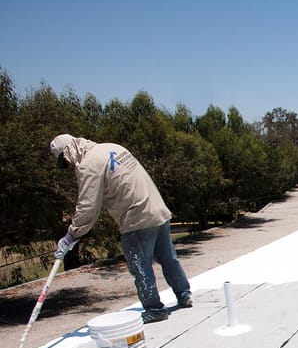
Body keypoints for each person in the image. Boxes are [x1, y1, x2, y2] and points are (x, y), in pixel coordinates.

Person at [49, 134, 192, 323]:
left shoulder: (88, 164)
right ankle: (184, 295)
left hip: (136, 218)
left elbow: (88, 207)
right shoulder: (113, 147)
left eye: (64, 161)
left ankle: (155, 309)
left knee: (140, 265)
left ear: (68, 151)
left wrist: (72, 235)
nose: (68, 166)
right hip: (157, 210)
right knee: (168, 258)